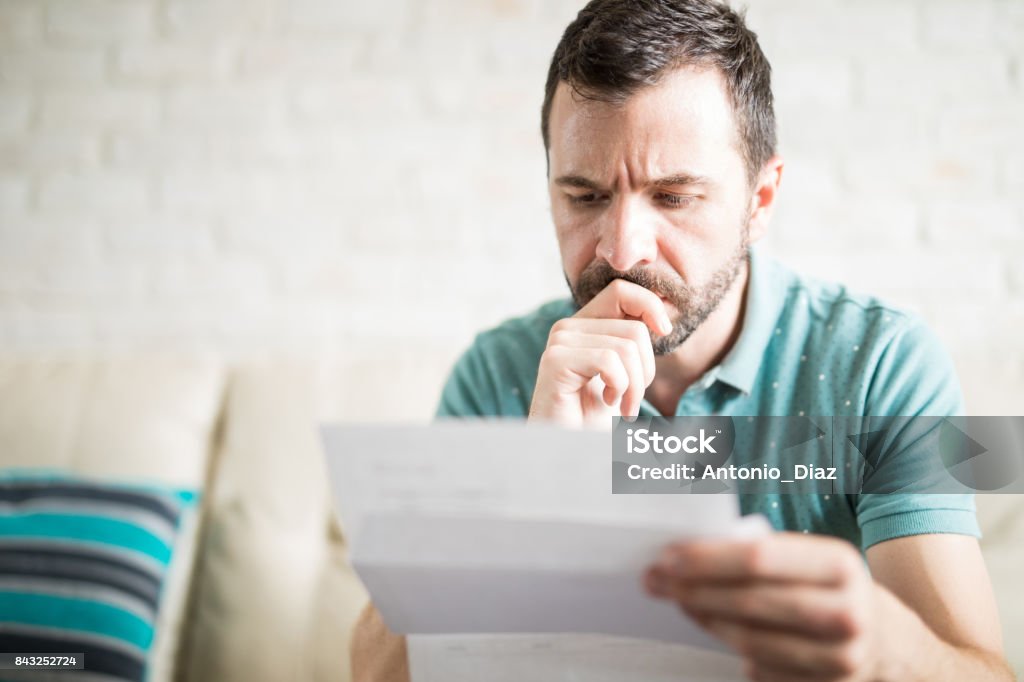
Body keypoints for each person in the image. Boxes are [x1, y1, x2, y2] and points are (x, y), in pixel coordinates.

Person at [352, 1, 1013, 679]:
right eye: (583, 197)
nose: (620, 249)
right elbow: (376, 671)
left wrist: (880, 648)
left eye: (673, 197)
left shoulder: (882, 365)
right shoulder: (499, 372)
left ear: (759, 202)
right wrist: (533, 478)